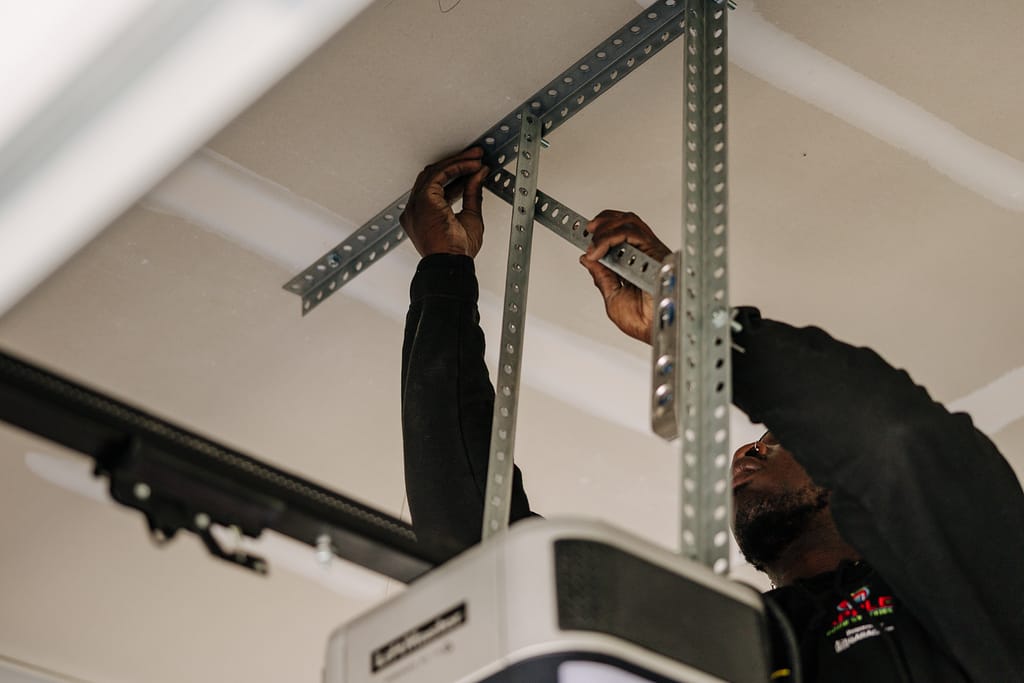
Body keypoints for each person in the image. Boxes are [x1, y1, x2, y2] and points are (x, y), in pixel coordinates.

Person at [398, 147, 1024, 681]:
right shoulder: (730, 643)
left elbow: (896, 439)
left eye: (779, 439)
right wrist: (444, 273)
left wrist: (700, 333)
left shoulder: (960, 593)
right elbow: (495, 565)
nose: (744, 452)